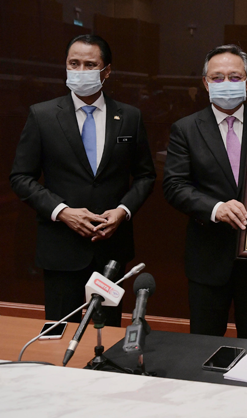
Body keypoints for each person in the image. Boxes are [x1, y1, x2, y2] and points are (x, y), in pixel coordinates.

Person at [10, 35, 156, 326]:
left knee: (107, 333)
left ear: (106, 71)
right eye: (73, 63)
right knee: (59, 333)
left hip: (111, 249)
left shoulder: (129, 117)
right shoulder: (43, 115)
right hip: (61, 248)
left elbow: (145, 175)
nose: (80, 70)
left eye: (90, 65)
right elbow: (21, 177)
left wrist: (123, 211)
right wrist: (62, 211)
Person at [162, 44, 247, 340]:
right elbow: (174, 186)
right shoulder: (186, 129)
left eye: (234, 76)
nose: (226, 84)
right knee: (203, 344)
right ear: (205, 83)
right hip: (208, 258)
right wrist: (215, 208)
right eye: (217, 78)